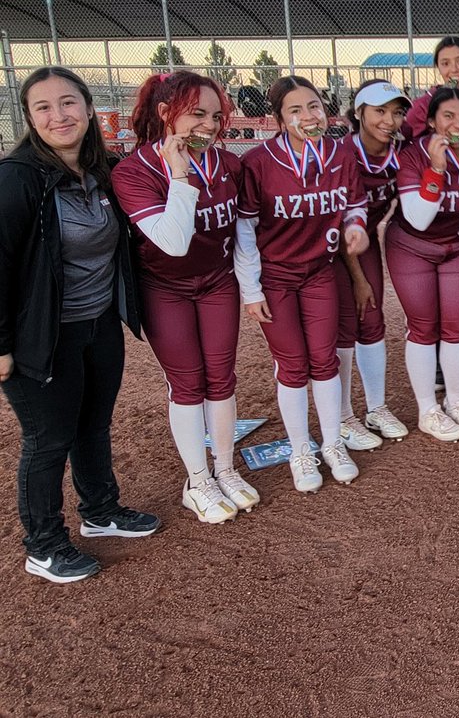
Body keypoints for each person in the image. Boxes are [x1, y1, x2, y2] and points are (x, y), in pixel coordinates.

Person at [0, 67, 160, 583]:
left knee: (93, 424)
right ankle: (44, 545)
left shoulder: (105, 170)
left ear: (89, 109)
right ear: (30, 118)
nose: (59, 116)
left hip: (97, 323)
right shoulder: (17, 178)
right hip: (42, 335)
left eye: (68, 103)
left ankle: (101, 510)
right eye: (43, 107)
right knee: (48, 438)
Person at [112, 71, 255, 525]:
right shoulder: (133, 171)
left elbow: (243, 233)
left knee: (222, 377)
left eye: (216, 116)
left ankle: (225, 469)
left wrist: (251, 287)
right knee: (188, 383)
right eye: (197, 114)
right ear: (165, 113)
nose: (209, 125)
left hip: (217, 281)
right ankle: (198, 480)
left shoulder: (228, 165)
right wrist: (179, 174)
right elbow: (173, 243)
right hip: (164, 287)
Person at [234, 76, 370, 493]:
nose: (308, 116)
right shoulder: (258, 162)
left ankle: (332, 444)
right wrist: (251, 290)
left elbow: (355, 203)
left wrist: (356, 227)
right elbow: (245, 228)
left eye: (314, 106)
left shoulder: (339, 154)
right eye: (295, 110)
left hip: (319, 271)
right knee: (293, 365)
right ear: (279, 119)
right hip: (276, 276)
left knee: (325, 359)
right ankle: (300, 452)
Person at [386, 86, 459, 441]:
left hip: (457, 247)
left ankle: (457, 401)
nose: (458, 124)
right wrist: (436, 169)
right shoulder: (414, 155)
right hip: (413, 247)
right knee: (424, 328)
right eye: (448, 116)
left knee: (456, 326)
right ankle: (428, 410)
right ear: (432, 122)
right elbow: (419, 218)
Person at [334, 81, 412, 450]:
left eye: (396, 112)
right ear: (359, 112)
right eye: (379, 111)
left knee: (372, 319)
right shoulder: (340, 153)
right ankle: (342, 416)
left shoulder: (400, 152)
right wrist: (358, 278)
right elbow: (339, 219)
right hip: (329, 244)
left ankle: (376, 408)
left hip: (363, 241)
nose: (389, 120)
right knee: (342, 326)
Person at [400, 35, 459, 142]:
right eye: (445, 63)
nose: (454, 69)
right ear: (438, 67)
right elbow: (408, 141)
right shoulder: (423, 105)